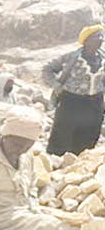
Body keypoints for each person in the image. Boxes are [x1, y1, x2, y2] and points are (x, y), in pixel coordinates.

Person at [43, 24, 104, 156]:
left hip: (95, 103)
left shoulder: (103, 58)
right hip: (71, 101)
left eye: (101, 36)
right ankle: (55, 164)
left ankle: (80, 165)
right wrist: (56, 86)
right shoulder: (71, 57)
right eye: (96, 36)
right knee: (63, 133)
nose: (101, 39)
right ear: (86, 40)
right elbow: (47, 69)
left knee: (90, 134)